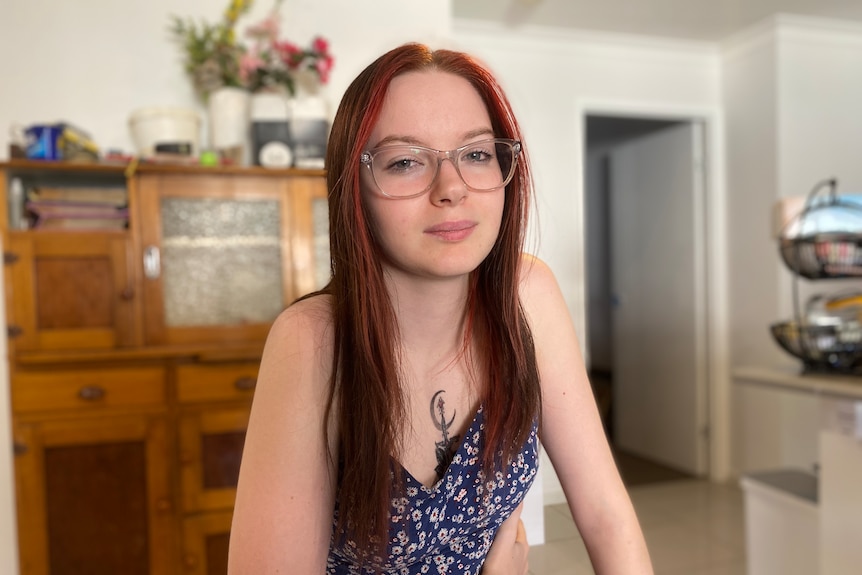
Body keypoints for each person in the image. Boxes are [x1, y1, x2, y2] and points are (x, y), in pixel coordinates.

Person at [228, 42, 653, 574]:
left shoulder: (528, 293)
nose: (452, 188)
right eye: (406, 162)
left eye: (476, 154)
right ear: (353, 188)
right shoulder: (311, 341)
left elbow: (606, 515)